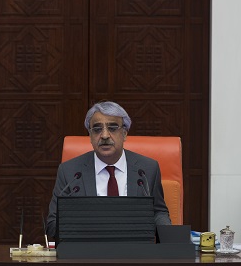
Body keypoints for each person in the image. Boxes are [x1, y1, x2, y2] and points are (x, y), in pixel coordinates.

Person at [46, 101, 171, 238]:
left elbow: (158, 213)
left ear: (124, 133)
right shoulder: (70, 172)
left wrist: (170, 239)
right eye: (97, 129)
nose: (105, 135)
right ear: (90, 135)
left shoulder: (148, 169)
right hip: (87, 248)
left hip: (134, 247)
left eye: (112, 128)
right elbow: (53, 224)